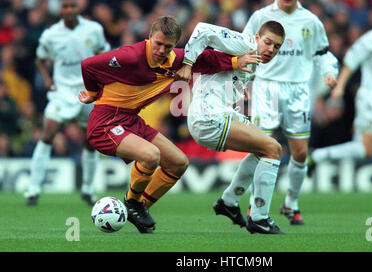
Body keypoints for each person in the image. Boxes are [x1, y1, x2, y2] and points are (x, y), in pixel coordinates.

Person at [79, 16, 259, 233]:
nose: (162, 50)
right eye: (158, 43)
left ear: (175, 45)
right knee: (151, 156)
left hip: (131, 119)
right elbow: (88, 65)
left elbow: (206, 59)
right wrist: (91, 93)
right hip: (105, 122)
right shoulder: (131, 56)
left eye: (168, 46)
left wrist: (234, 62)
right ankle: (132, 202)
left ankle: (140, 208)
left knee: (178, 162)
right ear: (149, 37)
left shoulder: (177, 59)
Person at [242, 0, 338, 225]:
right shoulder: (260, 16)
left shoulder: (311, 21)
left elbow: (322, 53)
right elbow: (245, 47)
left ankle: (291, 203)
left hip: (298, 90)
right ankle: (256, 206)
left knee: (300, 153)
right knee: (260, 148)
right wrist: (241, 81)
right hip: (266, 88)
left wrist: (328, 72)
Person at [176, 20, 287, 234]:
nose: (271, 49)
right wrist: (188, 64)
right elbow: (202, 29)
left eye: (277, 47)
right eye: (268, 42)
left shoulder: (252, 58)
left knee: (263, 149)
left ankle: (229, 201)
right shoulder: (245, 43)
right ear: (256, 38)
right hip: (209, 116)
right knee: (273, 149)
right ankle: (259, 218)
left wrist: (237, 89)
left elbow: (222, 74)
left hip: (217, 114)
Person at [309, 2, 372, 193]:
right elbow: (350, 62)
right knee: (366, 151)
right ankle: (318, 155)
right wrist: (339, 87)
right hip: (370, 98)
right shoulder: (371, 39)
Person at [25, 0, 111, 206]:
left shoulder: (94, 30)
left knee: (90, 141)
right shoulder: (51, 34)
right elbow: (40, 59)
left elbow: (105, 55)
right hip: (62, 93)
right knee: (47, 134)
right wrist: (47, 79)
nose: (70, 9)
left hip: (88, 93)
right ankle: (33, 190)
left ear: (78, 7)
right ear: (60, 9)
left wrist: (102, 81)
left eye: (73, 5)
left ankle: (88, 190)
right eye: (65, 6)